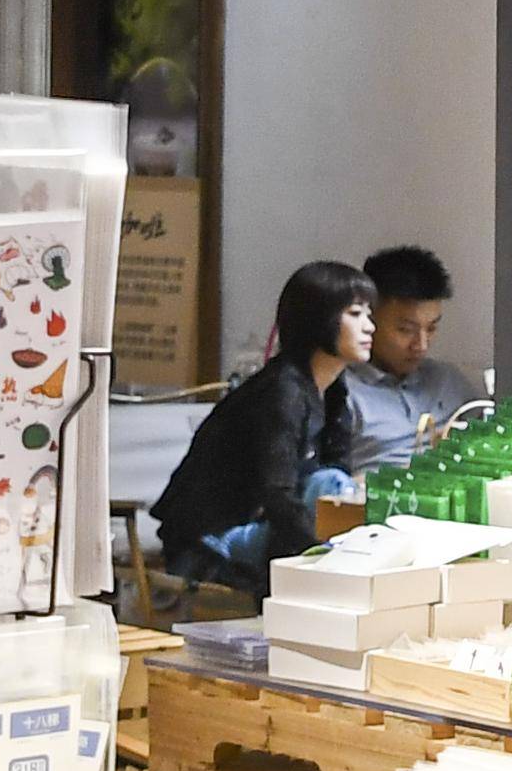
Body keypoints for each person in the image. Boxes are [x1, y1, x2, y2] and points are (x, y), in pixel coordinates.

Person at [152, 258, 371, 594]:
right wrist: (322, 553)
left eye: (369, 315)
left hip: (265, 525)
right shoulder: (282, 391)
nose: (370, 326)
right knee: (328, 498)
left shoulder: (334, 388)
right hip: (212, 538)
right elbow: (276, 493)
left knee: (333, 482)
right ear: (320, 320)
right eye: (356, 314)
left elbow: (334, 468)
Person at [329, 243, 474, 469]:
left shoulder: (447, 382)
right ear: (368, 320)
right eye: (406, 330)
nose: (421, 345)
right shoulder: (341, 394)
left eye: (432, 328)